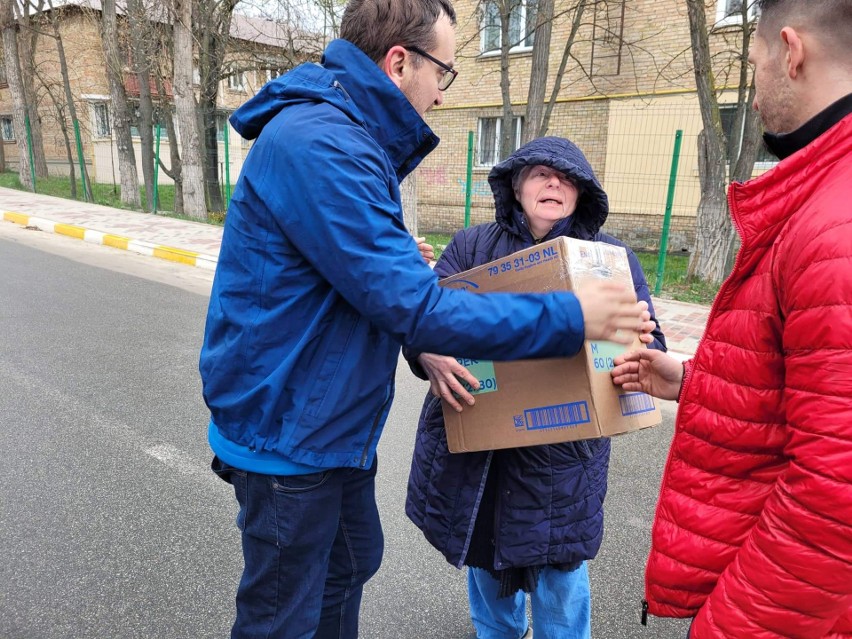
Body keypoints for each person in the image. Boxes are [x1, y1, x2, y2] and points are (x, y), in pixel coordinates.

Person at [198, 0, 651, 636]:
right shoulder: (324, 143)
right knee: (284, 614)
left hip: (327, 426)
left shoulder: (345, 137)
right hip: (290, 429)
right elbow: (419, 307)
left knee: (351, 562)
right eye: (445, 73)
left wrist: (389, 268)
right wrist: (572, 315)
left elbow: (372, 286)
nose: (441, 96)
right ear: (400, 61)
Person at [610, 1, 852, 637]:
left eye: (755, 59)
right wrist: (694, 382)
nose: (756, 78)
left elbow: (836, 495)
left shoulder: (836, 226)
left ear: (791, 52)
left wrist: (724, 627)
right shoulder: (824, 199)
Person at [405, 136, 666, 639]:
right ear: (517, 186)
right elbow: (419, 320)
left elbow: (646, 336)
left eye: (566, 177)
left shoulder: (609, 258)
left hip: (562, 455)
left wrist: (638, 344)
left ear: (581, 193)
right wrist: (425, 351)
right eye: (540, 173)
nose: (553, 183)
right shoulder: (471, 247)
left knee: (560, 575)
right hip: (479, 453)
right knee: (486, 562)